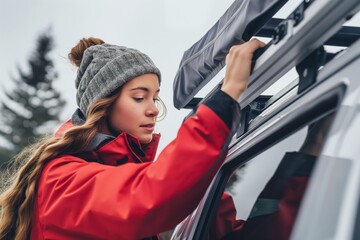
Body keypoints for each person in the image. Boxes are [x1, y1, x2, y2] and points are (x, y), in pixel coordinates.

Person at [0, 37, 265, 240]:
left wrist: (302, 161)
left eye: (154, 97)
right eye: (139, 97)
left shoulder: (118, 173)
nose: (152, 108)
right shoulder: (61, 180)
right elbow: (148, 197)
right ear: (103, 105)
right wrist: (227, 96)